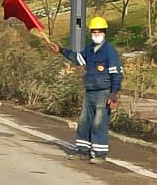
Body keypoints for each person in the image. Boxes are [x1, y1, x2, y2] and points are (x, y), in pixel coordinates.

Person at [47, 16, 123, 164]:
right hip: (90, 91)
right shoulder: (89, 49)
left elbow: (116, 72)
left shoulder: (109, 51)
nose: (96, 34)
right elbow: (78, 58)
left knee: (99, 123)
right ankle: (83, 151)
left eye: (99, 31)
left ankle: (100, 154)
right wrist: (61, 50)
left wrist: (114, 93)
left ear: (104, 32)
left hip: (104, 92)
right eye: (94, 32)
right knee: (84, 121)